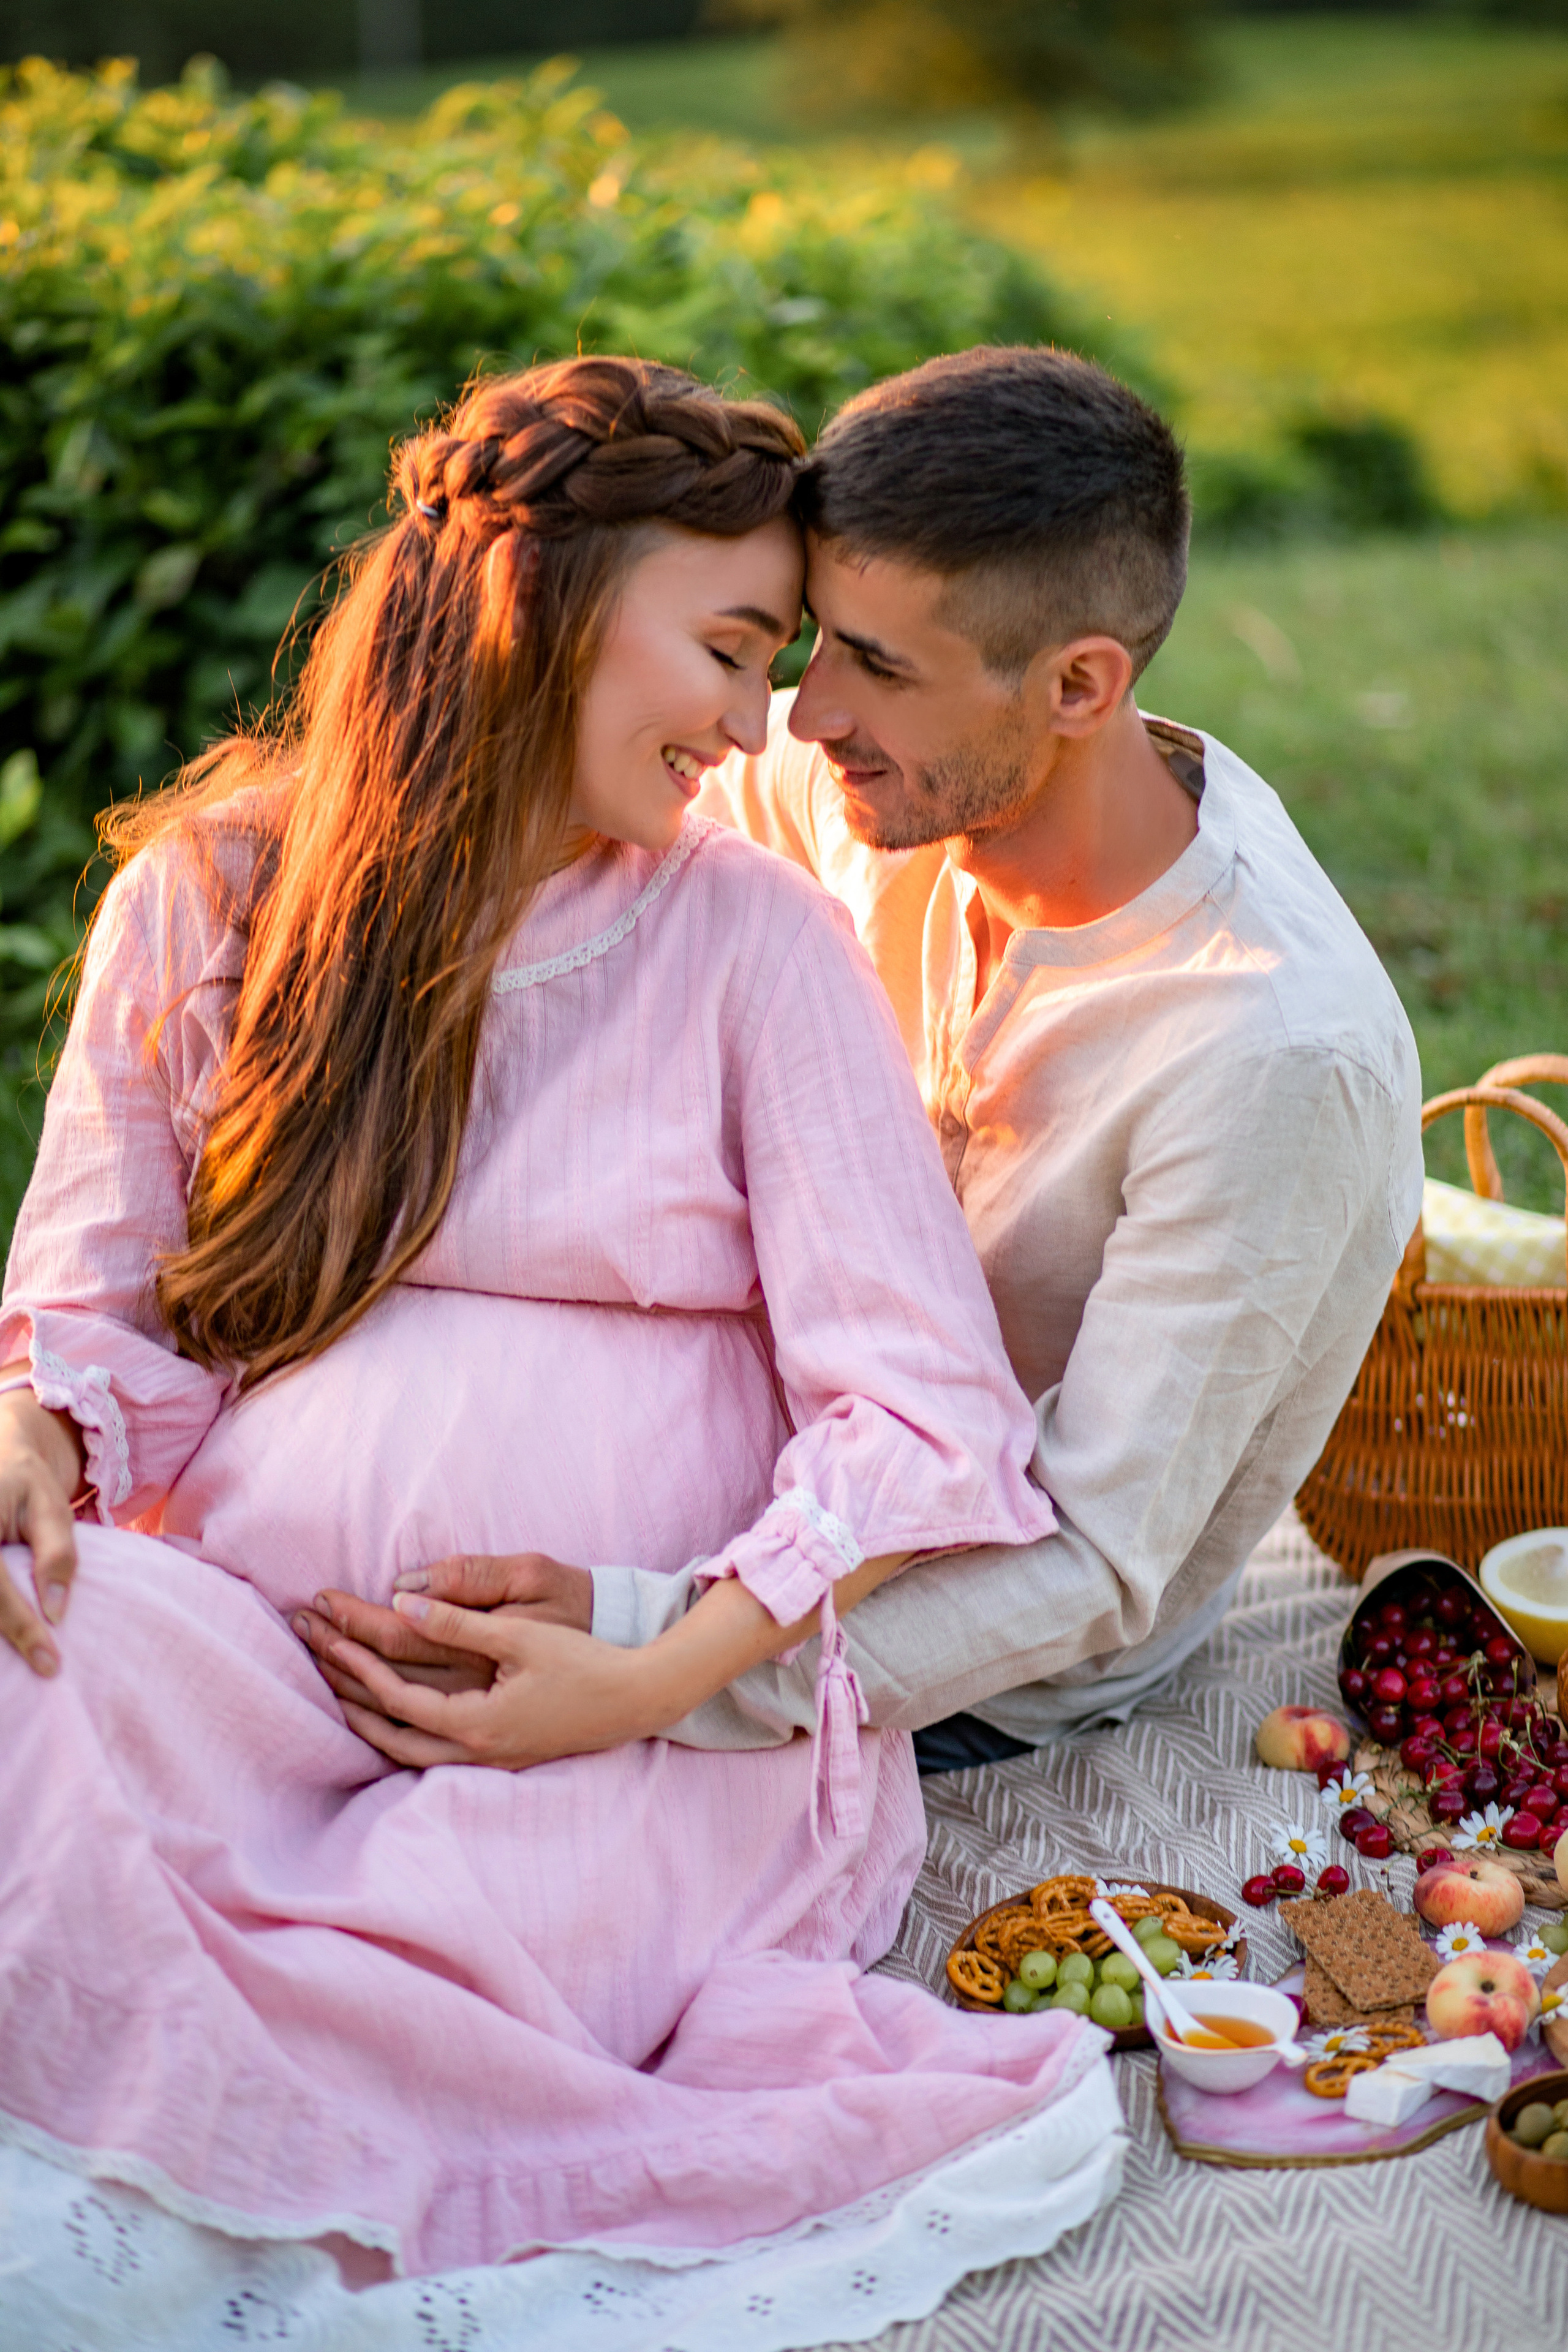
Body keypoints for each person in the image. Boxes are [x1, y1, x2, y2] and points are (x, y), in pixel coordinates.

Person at [0, 358, 1117, 2293]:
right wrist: (34, 1427)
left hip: (637, 1728)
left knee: (442, 1945)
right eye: (731, 649)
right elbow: (87, 1308)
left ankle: (273, 2143)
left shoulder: (751, 941)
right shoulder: (216, 896)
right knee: (27, 1645)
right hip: (269, 1662)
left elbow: (926, 1412)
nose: (756, 726)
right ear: (549, 607)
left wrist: (656, 1674)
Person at [298, 345, 1423, 1779]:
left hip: (948, 1664)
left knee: (428, 1788)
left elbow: (1089, 1562)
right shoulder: (879, 780)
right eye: (815, 640)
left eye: (876, 666)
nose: (805, 713)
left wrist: (649, 1666)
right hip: (758, 1476)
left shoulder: (1267, 1056)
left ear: (1078, 684)